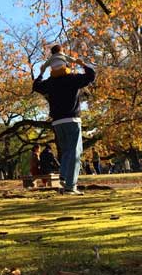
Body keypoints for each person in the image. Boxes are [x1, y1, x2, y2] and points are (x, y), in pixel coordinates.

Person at [33, 56, 96, 195]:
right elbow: (91, 76)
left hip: (57, 122)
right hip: (72, 119)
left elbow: (36, 86)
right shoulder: (73, 78)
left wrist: (41, 72)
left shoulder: (50, 82)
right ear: (65, 65)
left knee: (67, 151)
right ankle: (68, 183)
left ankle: (66, 181)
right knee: (75, 152)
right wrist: (82, 64)